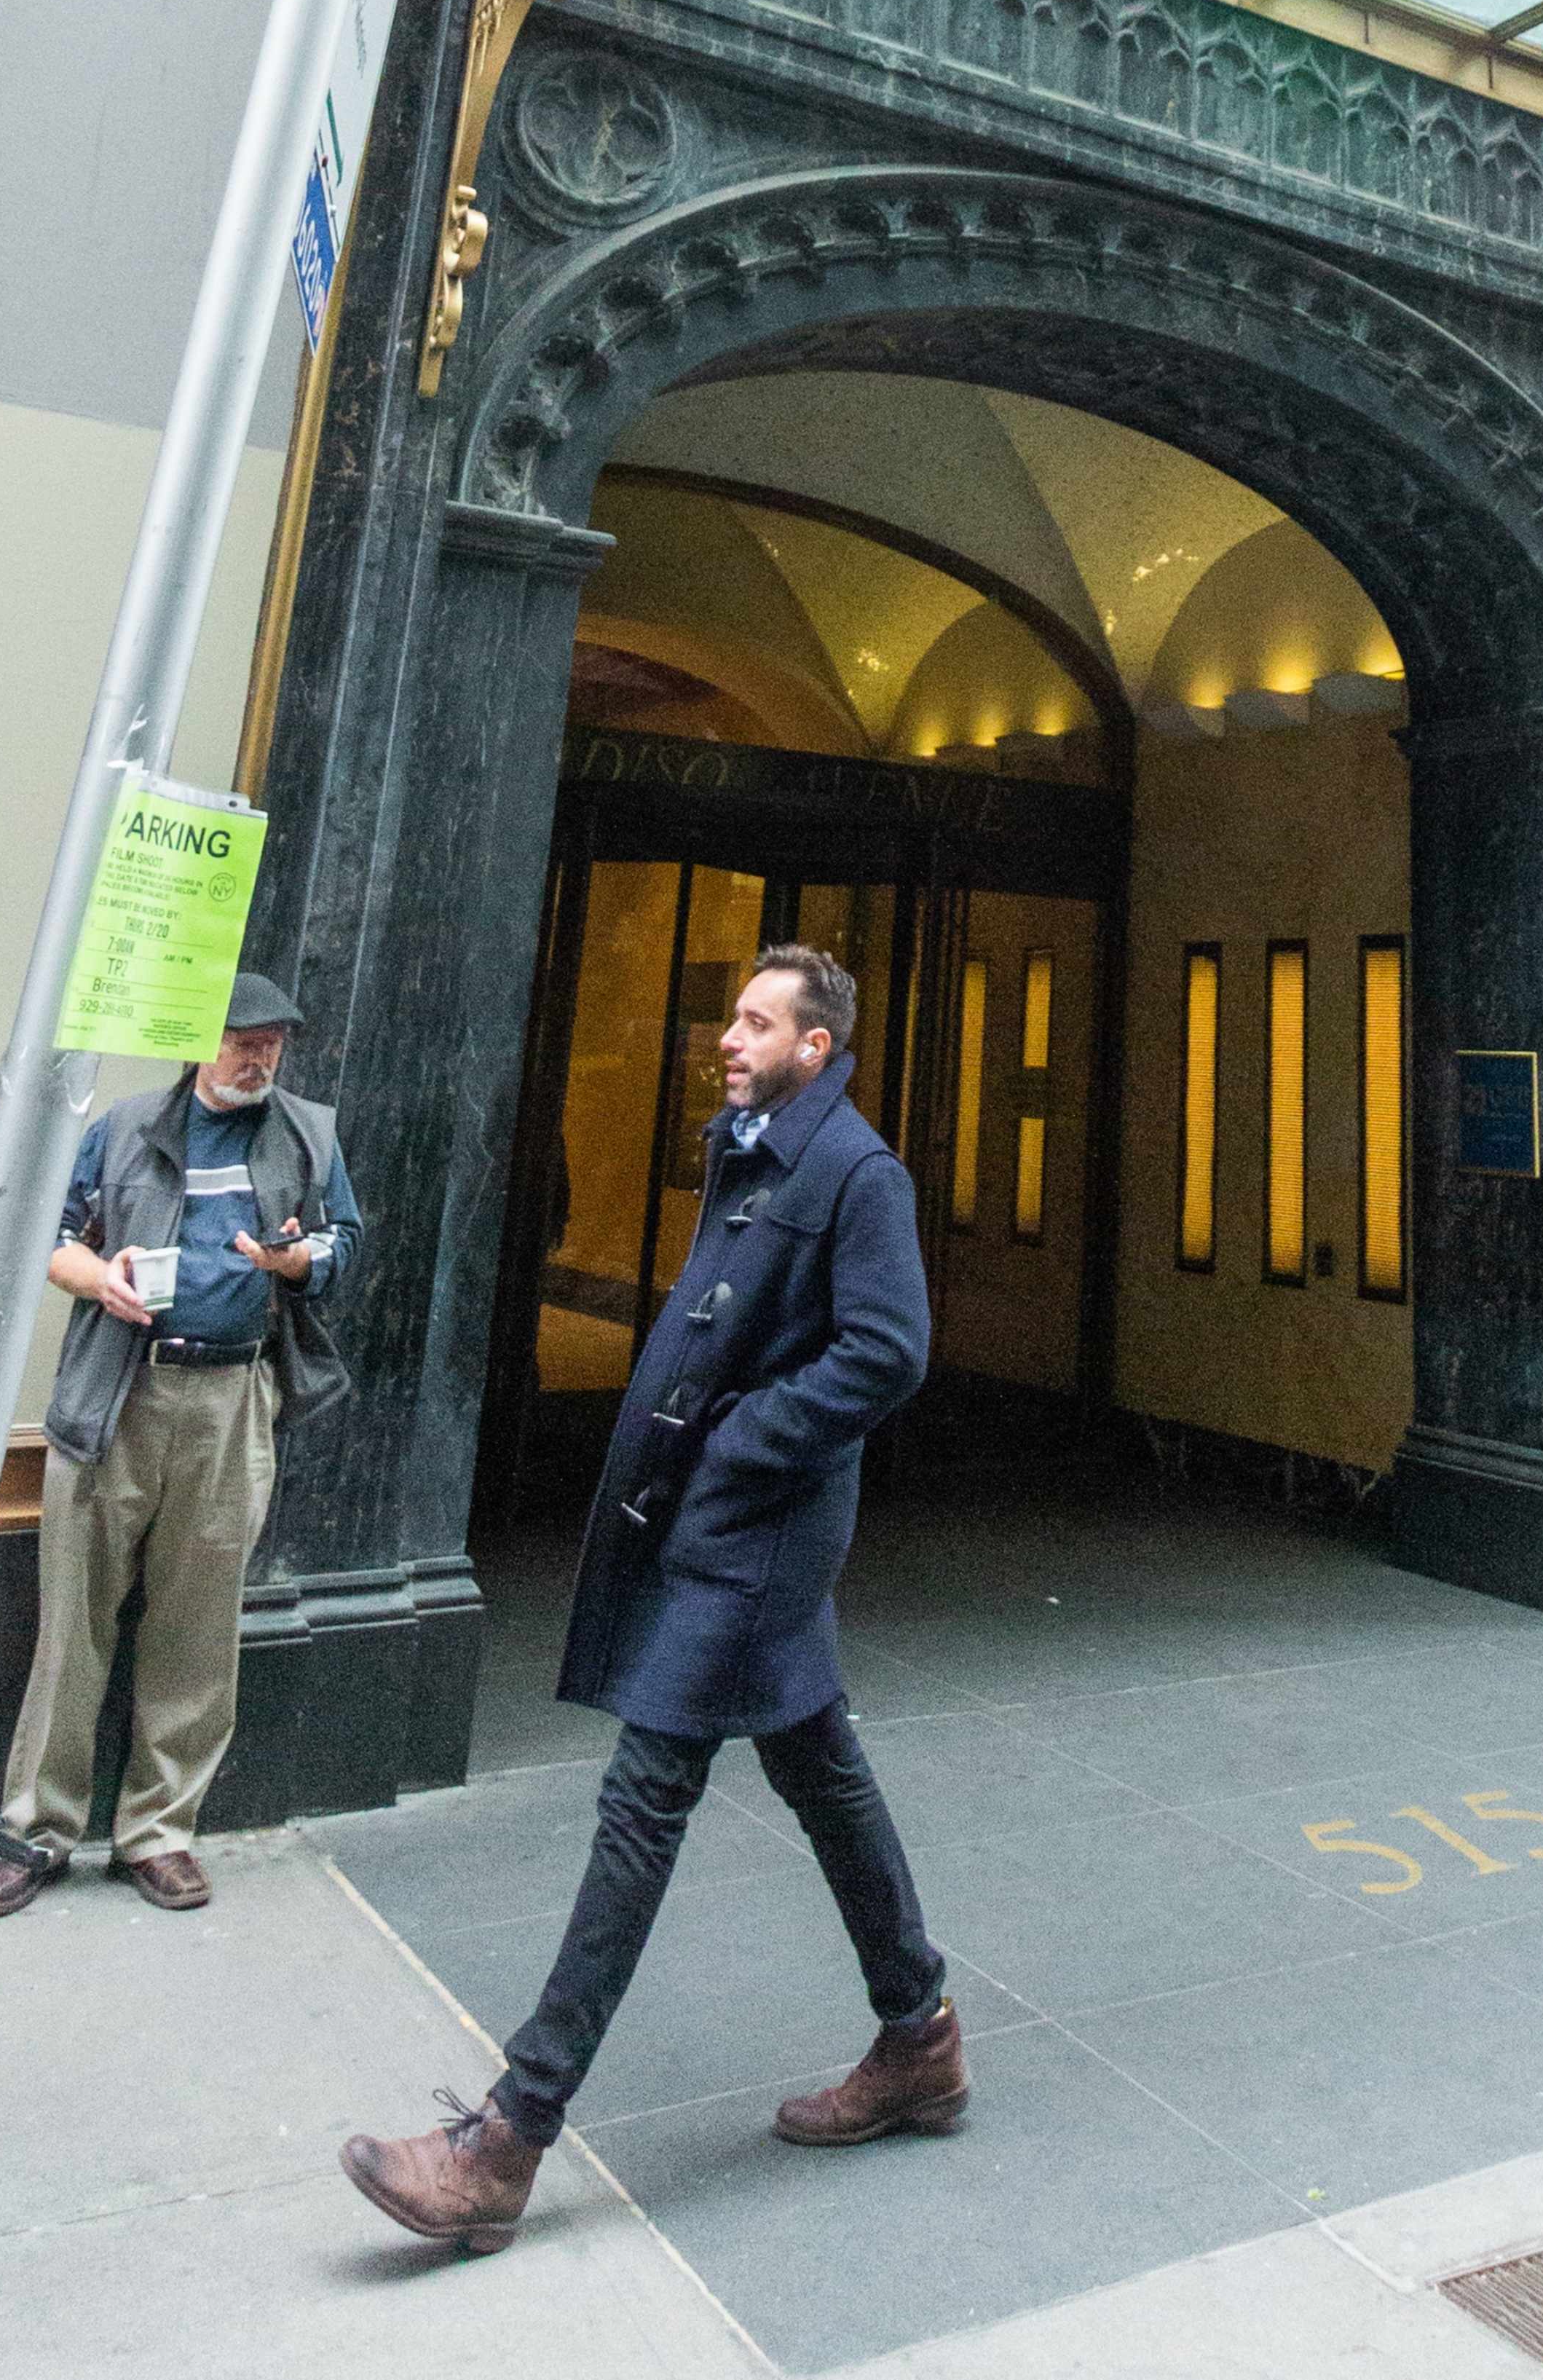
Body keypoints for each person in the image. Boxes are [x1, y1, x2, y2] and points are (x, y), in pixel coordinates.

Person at [341, 944, 955, 2255]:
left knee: (644, 1798)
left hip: (761, 1538)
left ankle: (508, 2135)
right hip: (726, 1524)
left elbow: (890, 1349)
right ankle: (921, 2036)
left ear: (815, 1044)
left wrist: (744, 1443)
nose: (728, 1036)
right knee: (822, 1771)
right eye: (732, 1017)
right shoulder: (753, 1142)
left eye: (754, 1021)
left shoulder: (855, 1170)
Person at [0, 965, 363, 1917]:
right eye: (241, 1037)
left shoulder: (311, 1132)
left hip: (233, 1400)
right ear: (197, 1041)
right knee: (75, 1627)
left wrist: (301, 1258)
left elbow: (347, 1241)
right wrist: (99, 1276)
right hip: (120, 1393)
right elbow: (43, 1237)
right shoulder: (125, 1126)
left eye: (272, 1039)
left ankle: (159, 1833)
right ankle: (38, 1830)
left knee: (196, 1625)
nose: (259, 1053)